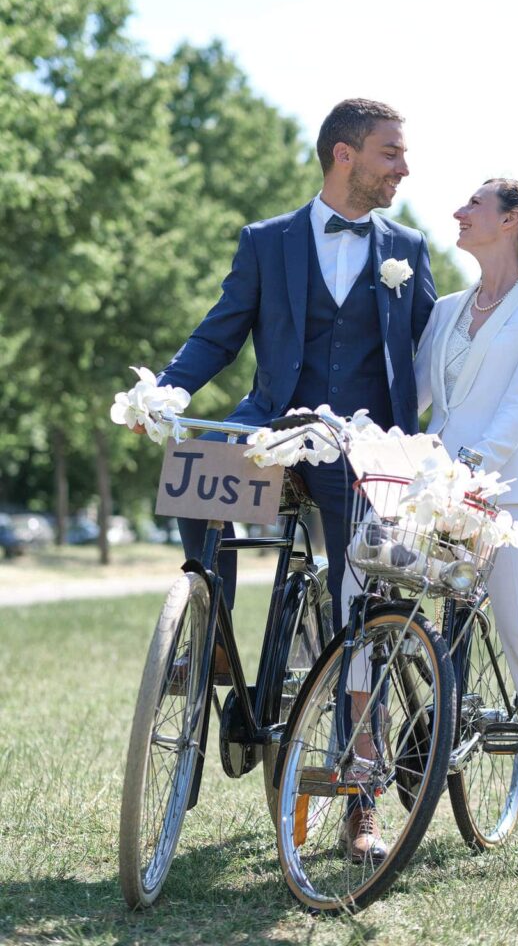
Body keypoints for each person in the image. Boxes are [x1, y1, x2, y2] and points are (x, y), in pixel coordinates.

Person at [153, 97, 436, 860]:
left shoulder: (406, 246)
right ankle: (205, 630)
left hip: (362, 446)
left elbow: (432, 349)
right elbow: (220, 330)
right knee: (195, 462)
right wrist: (173, 389)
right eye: (389, 153)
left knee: (360, 615)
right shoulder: (266, 241)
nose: (402, 170)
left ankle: (360, 802)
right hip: (276, 426)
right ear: (344, 154)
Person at [414, 178, 518, 871]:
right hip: (427, 494)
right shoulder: (447, 308)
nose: (457, 213)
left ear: (511, 220)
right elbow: (419, 398)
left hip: (502, 497)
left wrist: (473, 476)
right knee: (370, 604)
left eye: (473, 205)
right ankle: (371, 774)